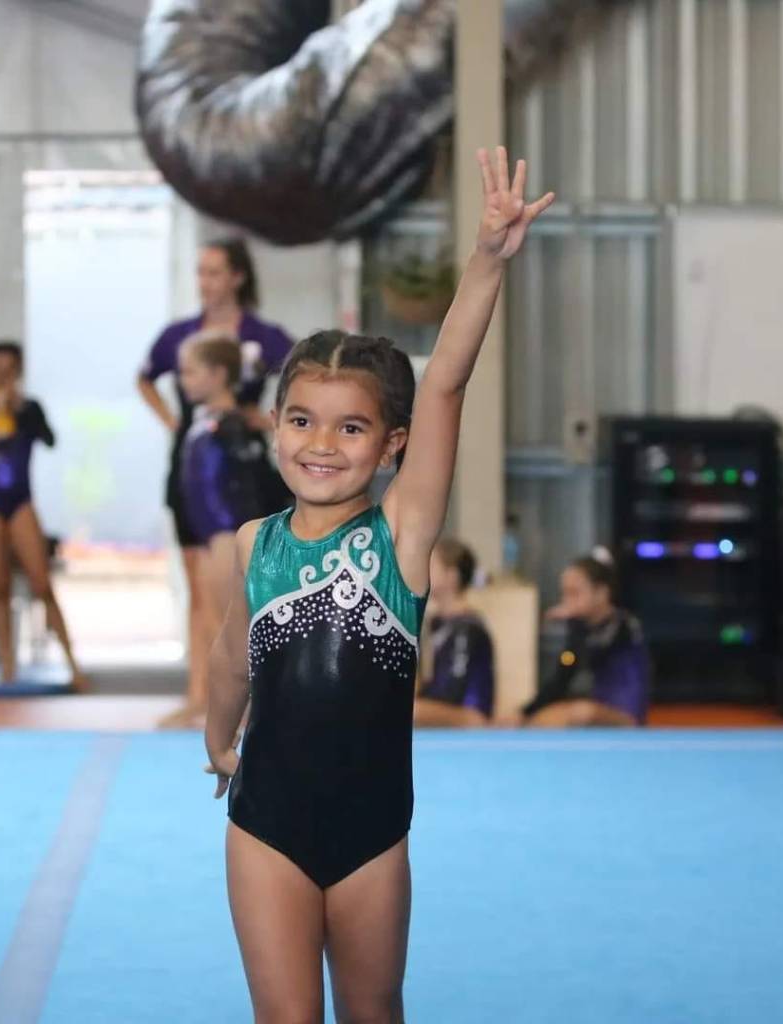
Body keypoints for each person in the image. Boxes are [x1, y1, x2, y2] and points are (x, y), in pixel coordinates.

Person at [203, 149, 553, 1022]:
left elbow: (446, 384)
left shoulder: (399, 541)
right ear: (276, 424)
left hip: (371, 839)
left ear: (393, 444)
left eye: (351, 427)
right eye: (301, 420)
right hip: (264, 826)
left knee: (373, 1012)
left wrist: (487, 258)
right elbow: (231, 658)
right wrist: (217, 740)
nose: (321, 445)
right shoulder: (252, 546)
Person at [136, 238, 292, 724]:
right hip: (195, 472)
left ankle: (246, 698)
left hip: (240, 476)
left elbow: (303, 377)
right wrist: (172, 422)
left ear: (238, 277)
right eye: (200, 272)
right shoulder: (181, 335)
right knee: (201, 589)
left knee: (240, 591)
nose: (205, 282)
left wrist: (269, 419)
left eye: (215, 272)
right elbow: (145, 377)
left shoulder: (262, 336)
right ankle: (200, 692)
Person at [0, 341, 86, 690]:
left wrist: (19, 409)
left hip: (21, 501)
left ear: (18, 371)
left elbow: (49, 439)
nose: (2, 376)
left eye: (8, 369)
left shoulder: (29, 409)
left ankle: (73, 665)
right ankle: (7, 665)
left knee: (41, 584)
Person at [170, 332, 285, 725]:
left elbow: (257, 489)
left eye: (190, 371)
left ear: (219, 374)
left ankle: (250, 711)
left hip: (228, 535)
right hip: (207, 536)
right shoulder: (205, 421)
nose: (182, 380)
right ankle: (208, 702)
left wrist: (248, 540)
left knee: (232, 628)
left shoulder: (235, 426)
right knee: (212, 623)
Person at [518, 549, 650, 727]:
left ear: (601, 593)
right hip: (596, 710)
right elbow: (564, 674)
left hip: (626, 715)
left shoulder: (625, 626)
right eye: (564, 593)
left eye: (574, 593)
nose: (566, 600)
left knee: (580, 712)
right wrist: (525, 712)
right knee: (545, 717)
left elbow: (594, 652)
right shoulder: (580, 628)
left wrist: (574, 626)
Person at [413, 537, 495, 727]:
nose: (423, 571)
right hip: (441, 706)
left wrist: (420, 703)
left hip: (470, 715)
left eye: (431, 565)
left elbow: (454, 688)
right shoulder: (435, 623)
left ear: (451, 576)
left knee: (405, 709)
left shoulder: (468, 628)